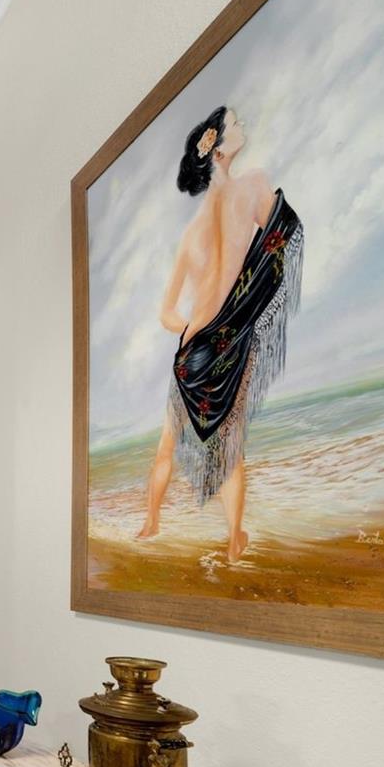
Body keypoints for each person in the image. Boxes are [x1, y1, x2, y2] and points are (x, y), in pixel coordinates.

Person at [137, 106, 303, 562]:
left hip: (193, 349)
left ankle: (151, 523)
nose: (244, 122)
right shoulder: (253, 186)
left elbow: (168, 313)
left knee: (167, 444)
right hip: (227, 341)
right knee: (230, 450)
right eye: (235, 120)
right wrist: (240, 309)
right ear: (213, 141)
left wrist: (194, 327)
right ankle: (233, 540)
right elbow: (281, 236)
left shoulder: (190, 235)